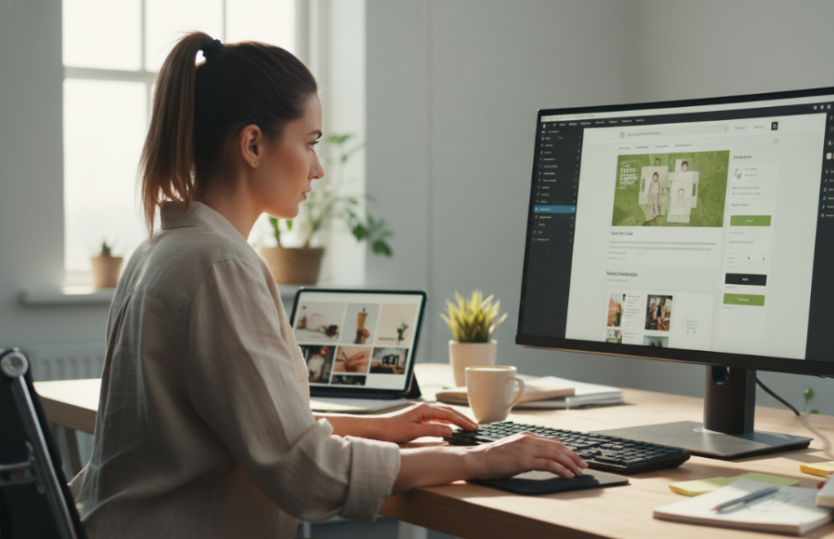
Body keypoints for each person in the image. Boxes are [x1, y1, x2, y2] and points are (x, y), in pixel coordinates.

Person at [69, 32, 585, 539]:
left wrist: (381, 426)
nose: (317, 170)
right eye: (310, 143)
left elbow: (258, 423)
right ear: (252, 144)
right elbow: (308, 472)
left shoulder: (161, 250)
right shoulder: (218, 267)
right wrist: (481, 458)